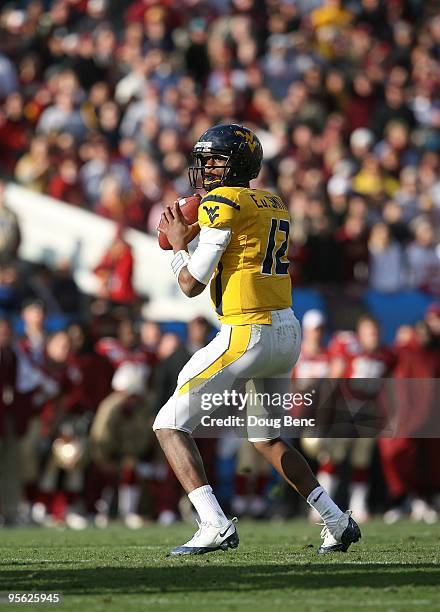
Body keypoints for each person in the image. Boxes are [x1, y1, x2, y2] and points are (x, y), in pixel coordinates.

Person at [154, 124, 361, 555]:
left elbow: (192, 283)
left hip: (246, 331)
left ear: (239, 163)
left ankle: (212, 522)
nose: (207, 169)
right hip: (286, 329)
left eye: (216, 160)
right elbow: (241, 245)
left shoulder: (222, 202)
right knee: (266, 438)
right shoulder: (272, 200)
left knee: (169, 424)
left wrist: (178, 247)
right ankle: (336, 520)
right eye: (205, 160)